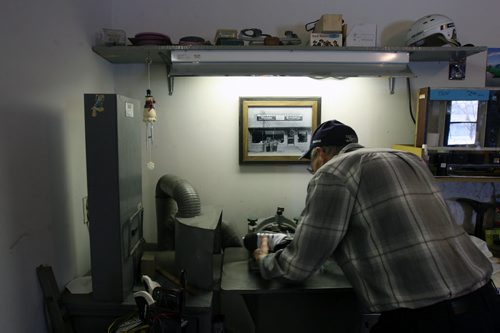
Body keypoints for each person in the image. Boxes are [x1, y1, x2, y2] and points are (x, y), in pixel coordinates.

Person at [253, 119, 500, 332]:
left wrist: (264, 260)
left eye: (311, 166)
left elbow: (298, 267)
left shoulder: (331, 172)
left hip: (429, 318)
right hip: (486, 302)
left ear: (319, 154)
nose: (313, 171)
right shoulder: (408, 160)